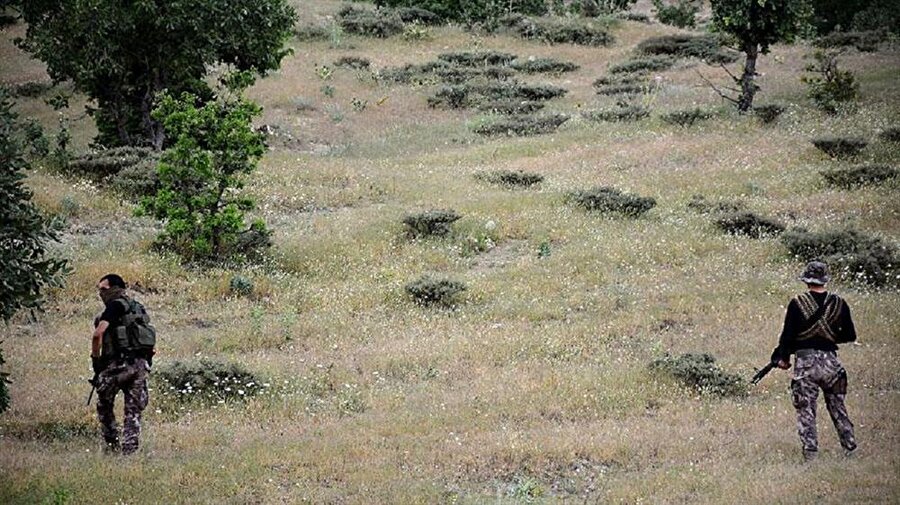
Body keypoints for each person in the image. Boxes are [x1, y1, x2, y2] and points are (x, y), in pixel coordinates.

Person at [770, 260, 858, 462]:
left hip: (806, 364)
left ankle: (811, 454)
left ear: (806, 280)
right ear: (825, 280)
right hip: (832, 365)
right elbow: (850, 335)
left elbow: (788, 336)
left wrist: (782, 358)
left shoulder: (797, 303)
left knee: (806, 410)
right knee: (838, 408)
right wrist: (827, 337)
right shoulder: (839, 303)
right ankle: (851, 449)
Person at [91, 274, 155, 454]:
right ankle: (129, 453)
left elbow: (98, 334)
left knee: (104, 404)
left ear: (116, 289)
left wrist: (96, 361)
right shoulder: (138, 308)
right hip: (140, 365)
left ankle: (112, 446)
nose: (101, 293)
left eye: (104, 289)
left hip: (118, 365)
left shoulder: (114, 306)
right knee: (133, 412)